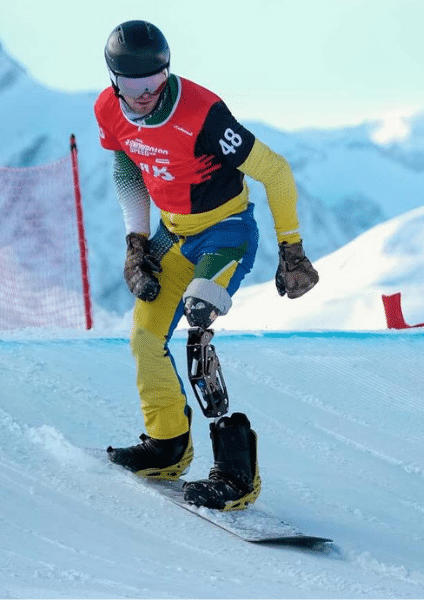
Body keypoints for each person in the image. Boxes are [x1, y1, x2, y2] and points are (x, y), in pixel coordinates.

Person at [94, 20, 320, 511]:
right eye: (132, 86)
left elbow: (276, 171)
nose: (144, 95)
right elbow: (125, 163)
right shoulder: (109, 111)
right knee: (145, 337)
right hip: (172, 235)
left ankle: (237, 471)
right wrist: (137, 242)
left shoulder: (203, 113)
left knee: (199, 321)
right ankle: (168, 445)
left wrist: (292, 250)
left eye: (154, 82)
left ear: (167, 71)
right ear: (114, 80)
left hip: (226, 232)